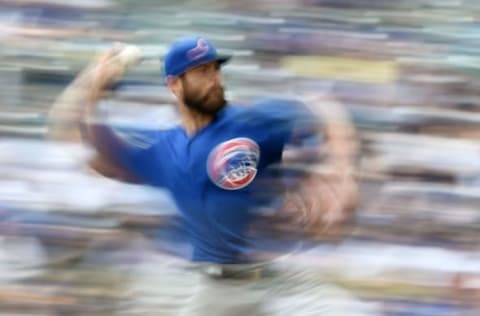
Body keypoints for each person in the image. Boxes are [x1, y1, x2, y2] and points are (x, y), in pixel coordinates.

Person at [48, 35, 357, 315]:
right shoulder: (163, 149)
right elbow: (75, 141)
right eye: (201, 72)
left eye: (215, 70)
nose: (213, 80)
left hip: (285, 282)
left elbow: (322, 106)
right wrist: (92, 85)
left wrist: (338, 170)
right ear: (175, 85)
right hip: (216, 290)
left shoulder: (251, 120)